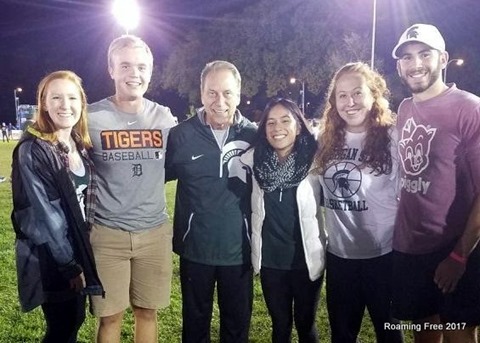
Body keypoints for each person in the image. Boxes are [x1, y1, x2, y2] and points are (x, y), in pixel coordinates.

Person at [391, 23, 480, 342]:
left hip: (454, 248)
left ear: (443, 59)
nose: (415, 64)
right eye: (407, 57)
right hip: (410, 249)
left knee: (458, 335)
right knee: (424, 334)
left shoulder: (470, 108)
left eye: (424, 54)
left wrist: (459, 255)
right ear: (399, 65)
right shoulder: (404, 109)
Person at [88, 35, 177, 343]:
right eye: (125, 65)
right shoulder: (92, 118)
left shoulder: (164, 118)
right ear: (111, 69)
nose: (134, 73)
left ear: (150, 71)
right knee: (110, 317)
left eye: (141, 66)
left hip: (154, 232)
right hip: (108, 234)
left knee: (147, 312)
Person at [165, 60, 257, 342]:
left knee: (236, 327)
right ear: (201, 94)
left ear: (239, 94)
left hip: (239, 250)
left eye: (227, 93)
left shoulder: (254, 135)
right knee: (195, 326)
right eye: (212, 92)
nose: (220, 101)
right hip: (195, 250)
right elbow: (152, 180)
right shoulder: (180, 136)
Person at [10, 70, 104, 343]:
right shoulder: (34, 150)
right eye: (57, 97)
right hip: (53, 255)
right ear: (44, 103)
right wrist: (70, 265)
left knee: (73, 321)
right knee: (63, 326)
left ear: (82, 103)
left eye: (72, 97)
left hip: (75, 245)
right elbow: (45, 216)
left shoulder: (77, 143)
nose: (65, 105)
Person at [314, 62, 403, 343]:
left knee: (389, 333)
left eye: (357, 93)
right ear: (334, 101)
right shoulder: (325, 139)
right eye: (341, 95)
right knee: (342, 335)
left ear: (373, 95)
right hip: (340, 257)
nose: (349, 102)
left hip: (383, 257)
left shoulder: (394, 137)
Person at [240, 97, 326, 343]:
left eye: (285, 121)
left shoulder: (315, 161)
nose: (277, 128)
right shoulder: (254, 162)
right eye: (271, 122)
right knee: (280, 326)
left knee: (306, 325)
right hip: (271, 263)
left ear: (298, 126)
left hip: (306, 261)